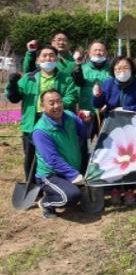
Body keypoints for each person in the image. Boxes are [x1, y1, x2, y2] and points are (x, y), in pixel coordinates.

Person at [6, 45, 79, 179]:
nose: (48, 58)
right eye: (44, 55)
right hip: (32, 122)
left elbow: (72, 96)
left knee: (56, 153)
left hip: (55, 121)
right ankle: (32, 183)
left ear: (56, 59)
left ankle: (57, 180)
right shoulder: (29, 78)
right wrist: (12, 84)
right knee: (30, 155)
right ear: (38, 60)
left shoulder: (65, 78)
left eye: (51, 55)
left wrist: (56, 106)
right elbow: (14, 97)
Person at [93, 56, 136, 206]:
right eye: (118, 68)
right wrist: (97, 95)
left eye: (125, 68)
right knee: (112, 157)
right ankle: (114, 188)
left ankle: (129, 189)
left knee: (132, 157)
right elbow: (97, 104)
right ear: (113, 70)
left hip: (132, 126)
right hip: (111, 126)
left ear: (132, 69)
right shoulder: (108, 84)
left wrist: (126, 109)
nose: (121, 71)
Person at [31, 90, 88, 219]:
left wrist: (85, 121)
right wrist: (73, 175)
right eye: (51, 103)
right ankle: (46, 202)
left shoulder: (69, 116)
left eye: (59, 101)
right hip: (51, 175)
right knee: (72, 196)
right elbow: (52, 160)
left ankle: (63, 188)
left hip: (70, 168)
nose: (57, 106)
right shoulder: (40, 131)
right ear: (42, 106)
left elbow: (83, 133)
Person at [71, 41, 111, 139]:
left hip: (107, 113)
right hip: (86, 113)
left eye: (101, 50)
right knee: (84, 141)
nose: (98, 53)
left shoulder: (112, 69)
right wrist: (77, 65)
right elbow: (77, 82)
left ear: (106, 53)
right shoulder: (82, 68)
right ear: (89, 53)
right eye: (95, 50)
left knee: (106, 142)